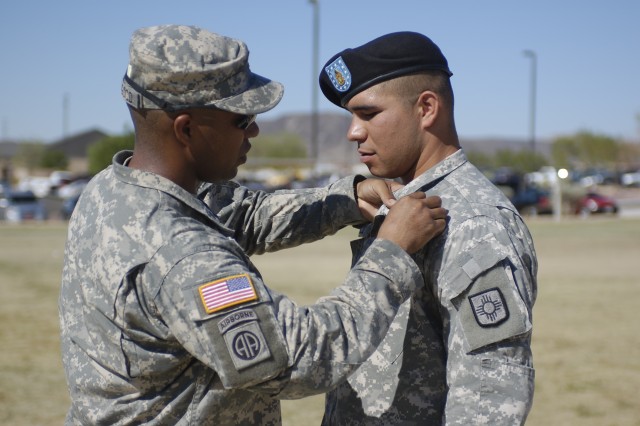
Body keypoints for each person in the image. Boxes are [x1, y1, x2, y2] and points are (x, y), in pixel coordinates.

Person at [58, 25, 448, 425]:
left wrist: (344, 200)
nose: (256, 130)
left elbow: (244, 215)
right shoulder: (182, 255)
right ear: (186, 128)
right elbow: (301, 359)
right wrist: (391, 252)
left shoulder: (114, 190)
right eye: (241, 120)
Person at [318, 31, 538, 425]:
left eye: (368, 114)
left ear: (426, 108)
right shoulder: (405, 202)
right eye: (351, 117)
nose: (353, 132)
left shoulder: (473, 221)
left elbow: (490, 396)